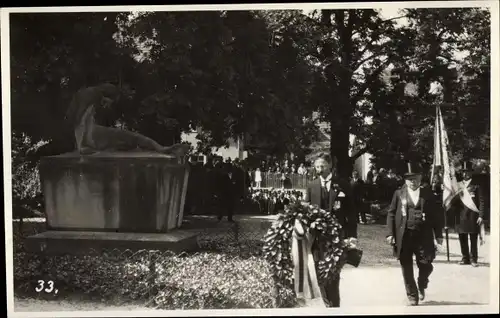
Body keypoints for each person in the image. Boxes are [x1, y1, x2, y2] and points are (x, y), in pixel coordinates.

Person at [301, 153, 358, 307]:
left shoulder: (343, 185)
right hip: (317, 238)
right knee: (320, 271)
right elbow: (305, 211)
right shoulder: (311, 186)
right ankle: (328, 304)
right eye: (317, 166)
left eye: (323, 166)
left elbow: (351, 212)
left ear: (330, 165)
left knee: (333, 272)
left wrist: (352, 235)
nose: (319, 169)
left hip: (337, 237)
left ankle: (334, 306)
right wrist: (308, 224)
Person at [386, 162, 444, 306]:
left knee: (426, 264)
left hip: (423, 236)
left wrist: (439, 235)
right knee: (406, 266)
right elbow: (391, 214)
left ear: (420, 179)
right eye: (410, 179)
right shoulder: (399, 194)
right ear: (405, 180)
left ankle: (422, 283)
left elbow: (437, 215)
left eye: (416, 178)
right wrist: (389, 233)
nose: (413, 182)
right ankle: (412, 295)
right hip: (404, 236)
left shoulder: (427, 194)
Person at [452, 161, 485, 267]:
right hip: (460, 215)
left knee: (473, 238)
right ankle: (465, 258)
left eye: (468, 172)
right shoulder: (458, 186)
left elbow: (482, 202)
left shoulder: (476, 186)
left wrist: (481, 215)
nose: (465, 174)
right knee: (462, 238)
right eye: (464, 172)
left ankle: (473, 259)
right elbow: (453, 202)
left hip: (472, 216)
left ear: (471, 173)